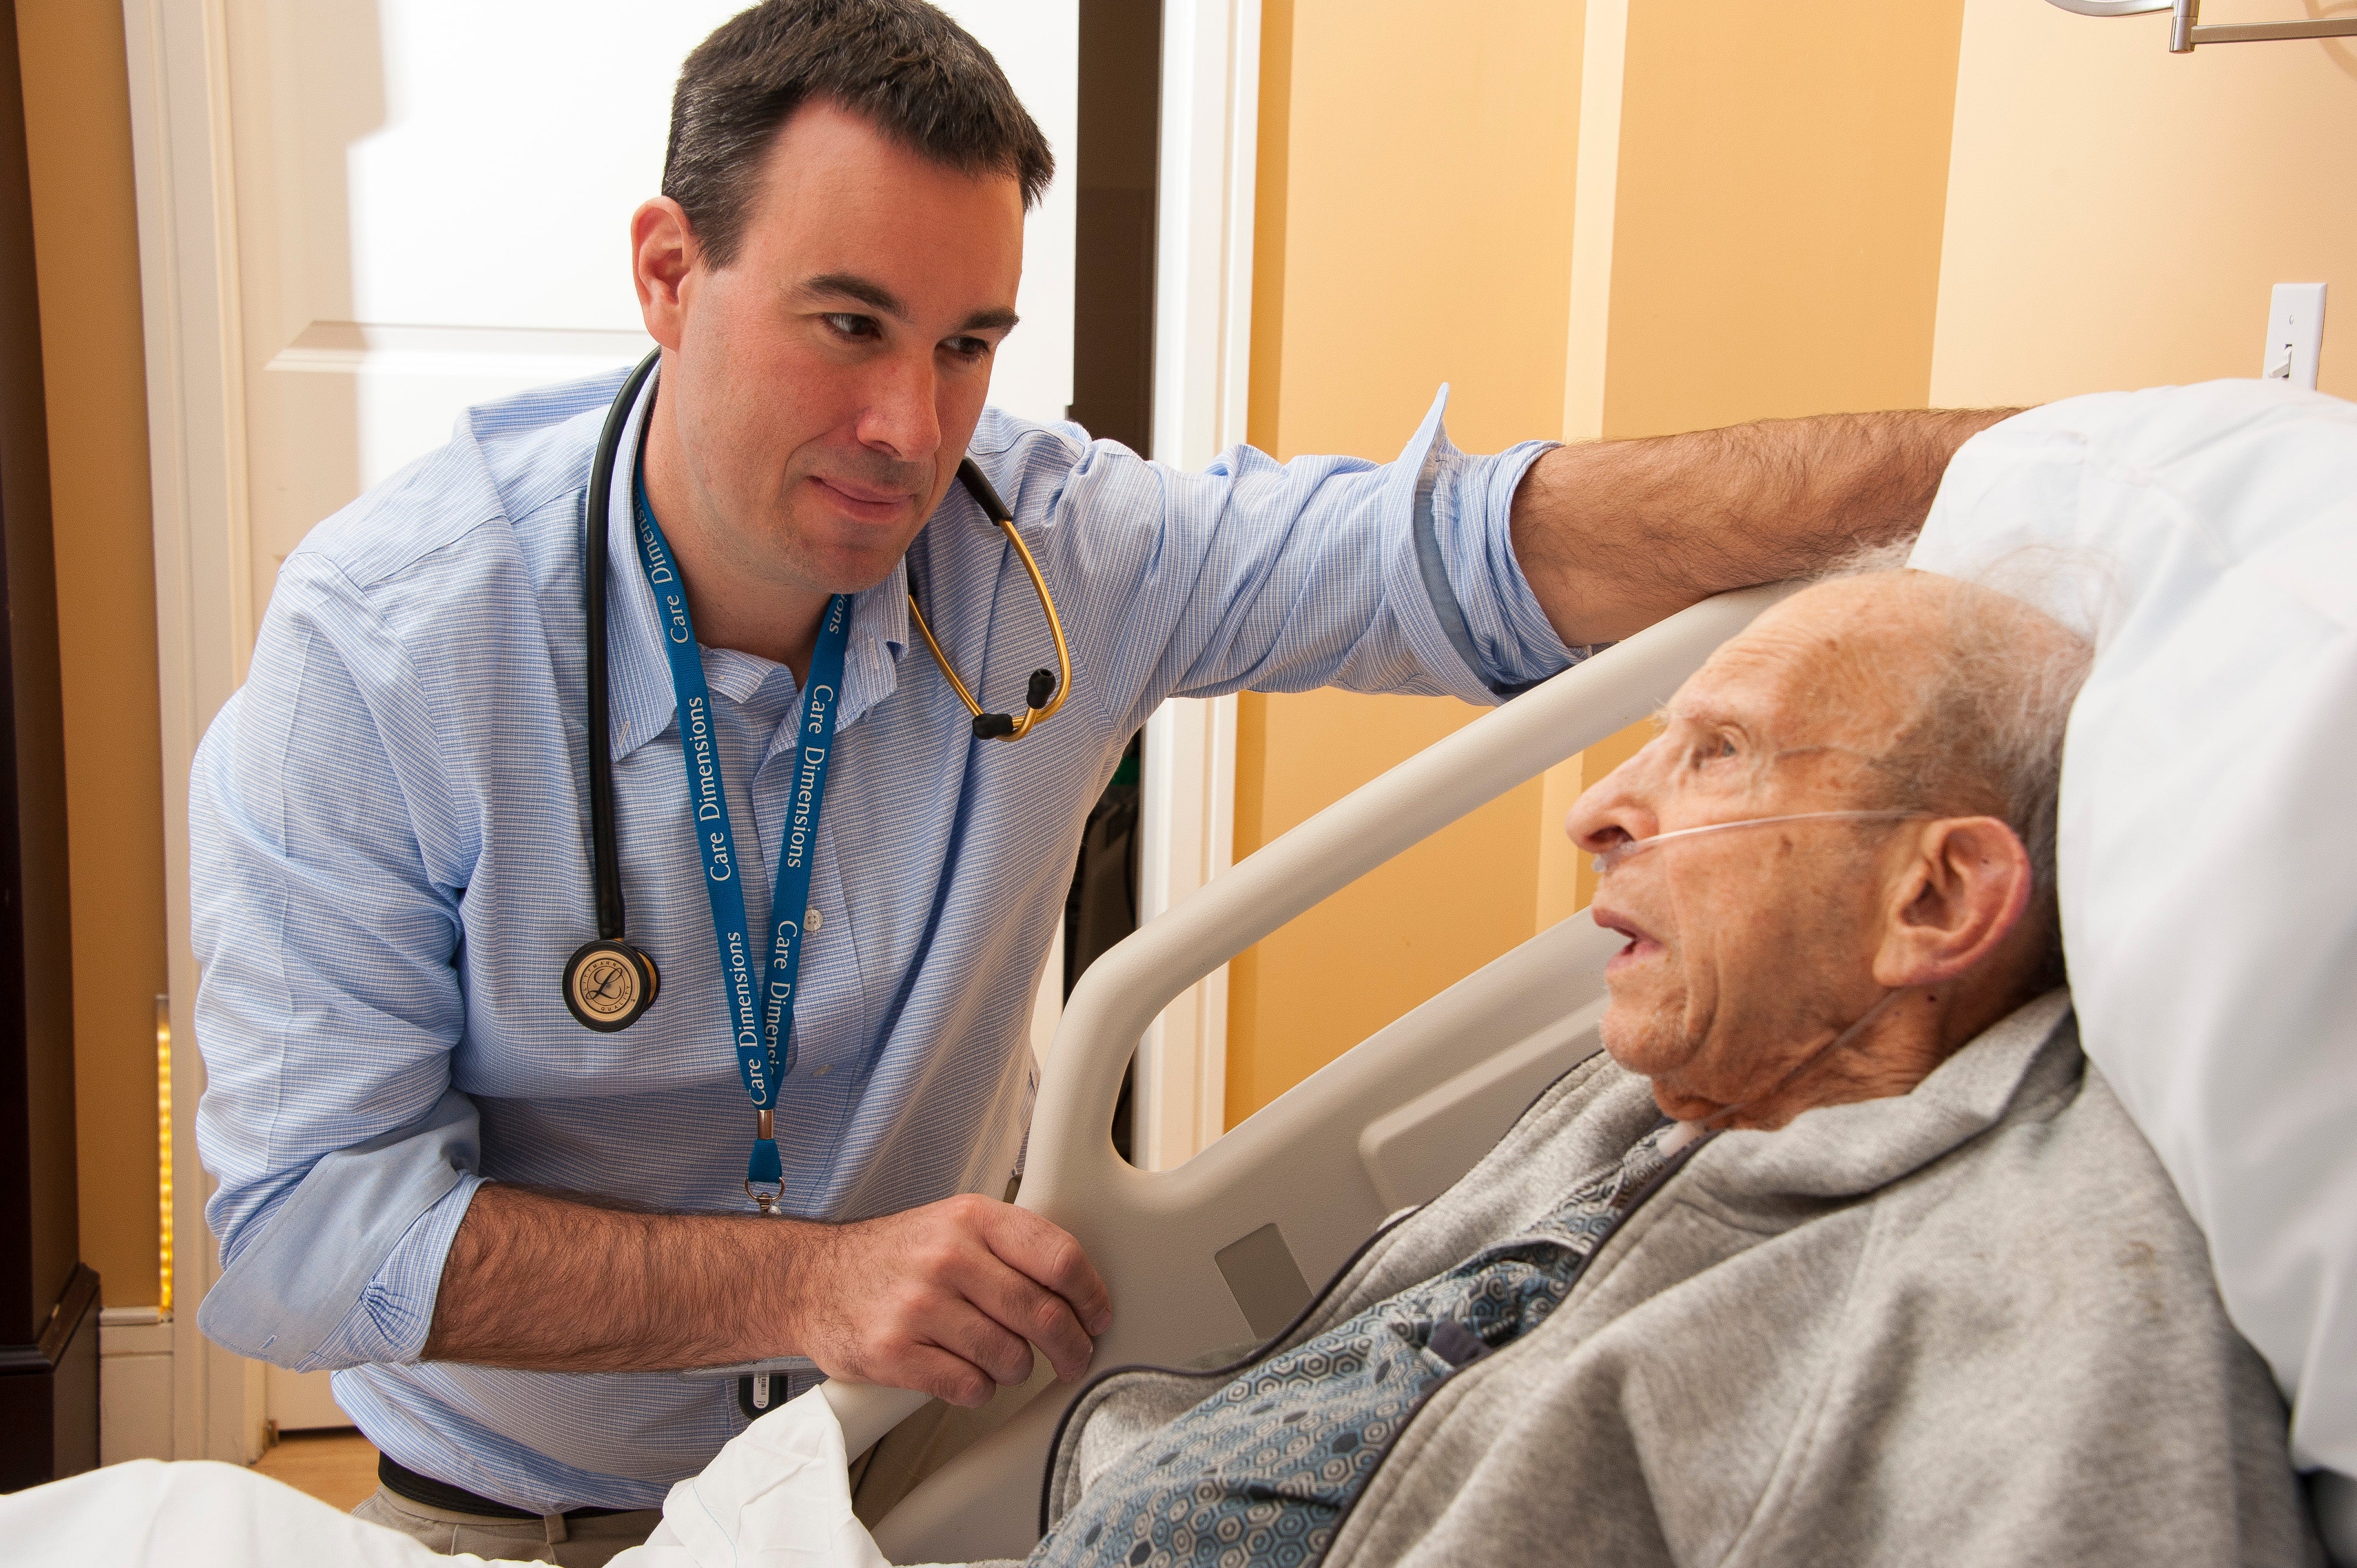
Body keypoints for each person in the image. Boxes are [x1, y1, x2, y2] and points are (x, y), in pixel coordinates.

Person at [186, 0, 2006, 1552]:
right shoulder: (390, 651)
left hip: (909, 1476)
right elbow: (294, 1235)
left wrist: (2022, 464)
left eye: (967, 344)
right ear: (670, 272)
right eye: (847, 325)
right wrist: (805, 1284)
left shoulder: (1046, 552)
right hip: (525, 1513)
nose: (912, 429)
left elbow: (1468, 550)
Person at [996, 565, 2318, 1568]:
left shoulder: (2042, 1306)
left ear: (1935, 899)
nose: (1596, 810)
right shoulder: (1692, 1088)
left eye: (1718, 752)